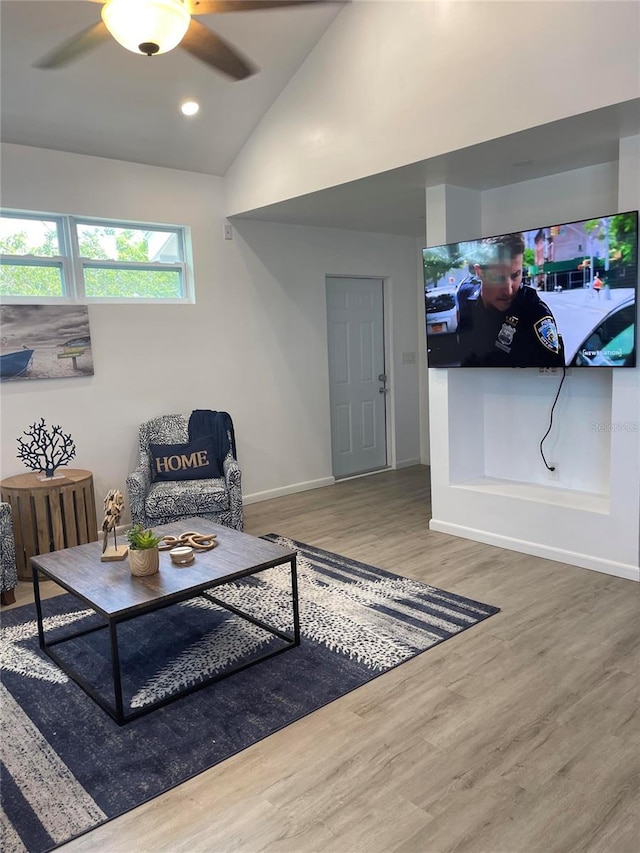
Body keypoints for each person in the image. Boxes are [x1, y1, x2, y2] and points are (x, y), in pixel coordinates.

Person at [456, 232, 564, 367]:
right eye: (499, 278)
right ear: (479, 272)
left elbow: (554, 377)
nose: (509, 290)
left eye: (515, 275)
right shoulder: (464, 295)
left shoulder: (535, 314)